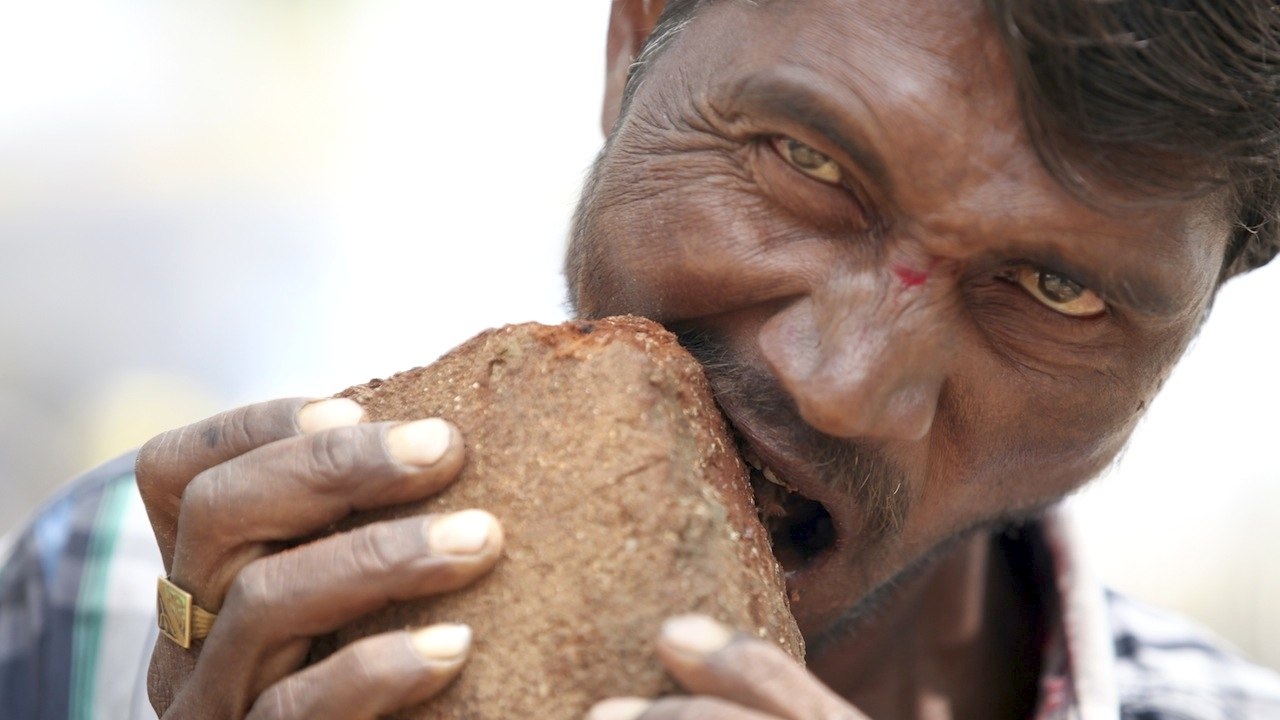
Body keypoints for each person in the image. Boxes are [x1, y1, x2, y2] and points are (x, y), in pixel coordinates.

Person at [4, 0, 1280, 718]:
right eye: (804, 161)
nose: (838, 383)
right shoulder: (117, 591)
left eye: (1057, 291)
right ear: (633, 43)